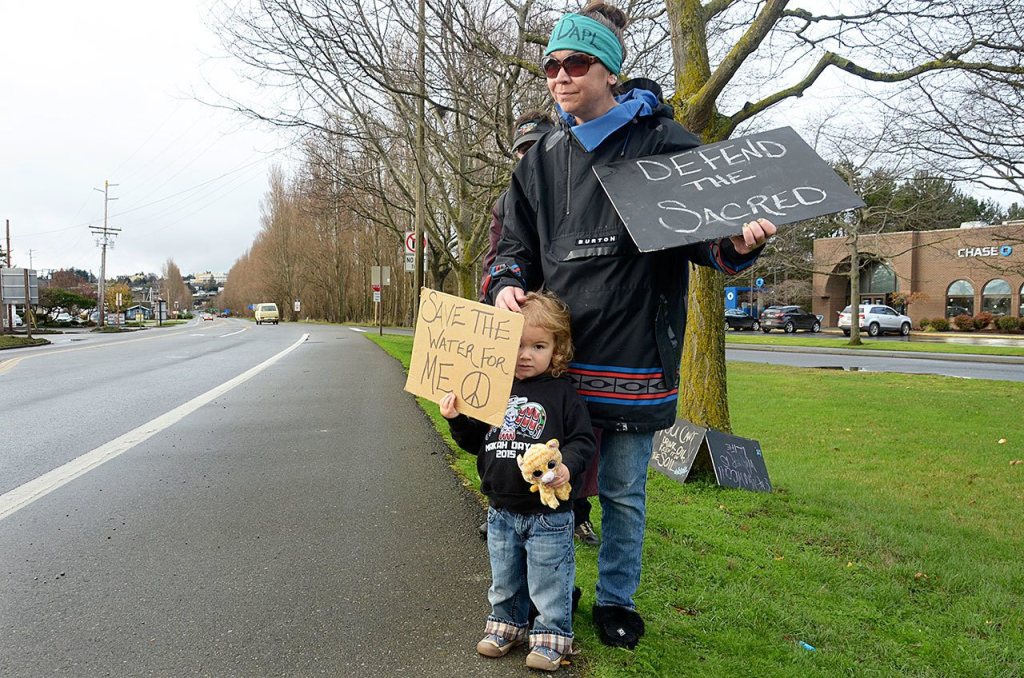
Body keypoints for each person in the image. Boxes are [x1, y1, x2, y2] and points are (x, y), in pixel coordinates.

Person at [487, 2, 776, 649]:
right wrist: (506, 283)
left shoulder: (662, 143)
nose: (561, 76)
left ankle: (616, 601)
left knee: (620, 494)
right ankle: (553, 591)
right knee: (545, 484)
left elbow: (712, 239)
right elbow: (511, 244)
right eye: (552, 65)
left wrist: (741, 240)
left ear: (610, 71)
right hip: (555, 367)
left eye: (578, 63)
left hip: (634, 362)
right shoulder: (541, 158)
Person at [441, 291, 596, 672]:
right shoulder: (493, 389)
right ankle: (507, 625)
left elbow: (583, 441)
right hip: (500, 510)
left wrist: (567, 468)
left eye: (538, 346)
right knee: (505, 578)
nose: (525, 355)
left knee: (549, 579)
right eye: (516, 345)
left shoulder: (563, 394)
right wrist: (457, 418)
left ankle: (551, 637)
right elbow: (475, 442)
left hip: (549, 514)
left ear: (556, 349)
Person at [478, 110, 601, 548]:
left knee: (565, 423)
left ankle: (575, 511)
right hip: (516, 319)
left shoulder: (579, 187)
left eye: (538, 147)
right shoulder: (507, 201)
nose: (530, 157)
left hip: (564, 323)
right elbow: (498, 257)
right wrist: (499, 290)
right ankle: (500, 505)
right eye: (522, 150)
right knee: (504, 421)